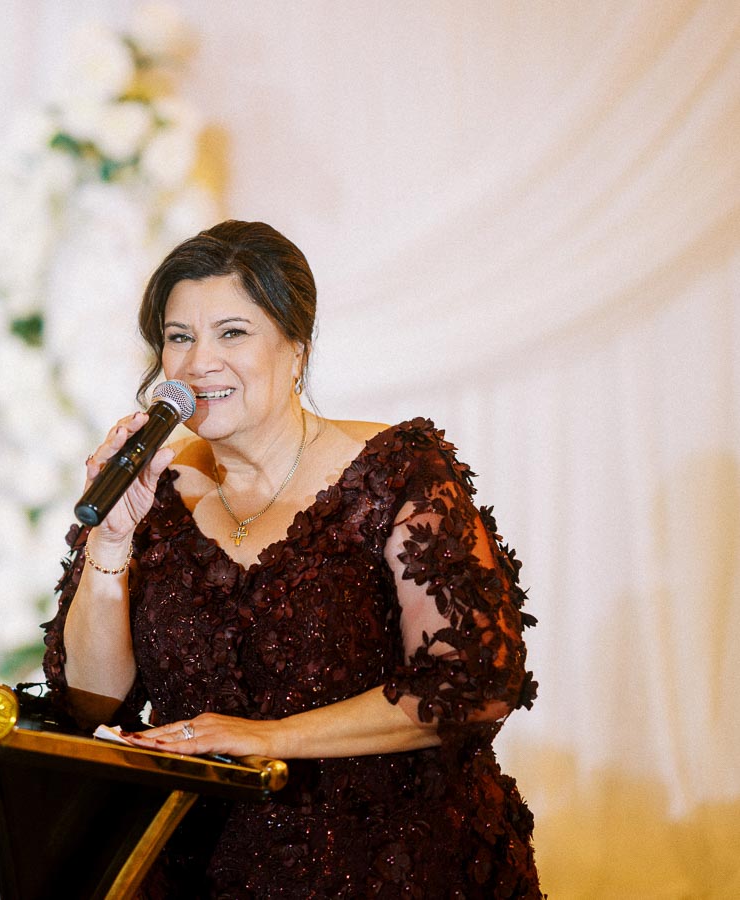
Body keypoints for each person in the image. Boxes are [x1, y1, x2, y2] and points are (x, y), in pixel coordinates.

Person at [42, 220, 540, 897]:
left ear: (297, 351)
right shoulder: (149, 488)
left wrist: (273, 738)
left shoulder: (395, 475)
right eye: (179, 338)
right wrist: (110, 544)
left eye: (232, 333)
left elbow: (474, 681)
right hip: (196, 866)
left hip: (390, 863)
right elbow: (92, 701)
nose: (198, 363)